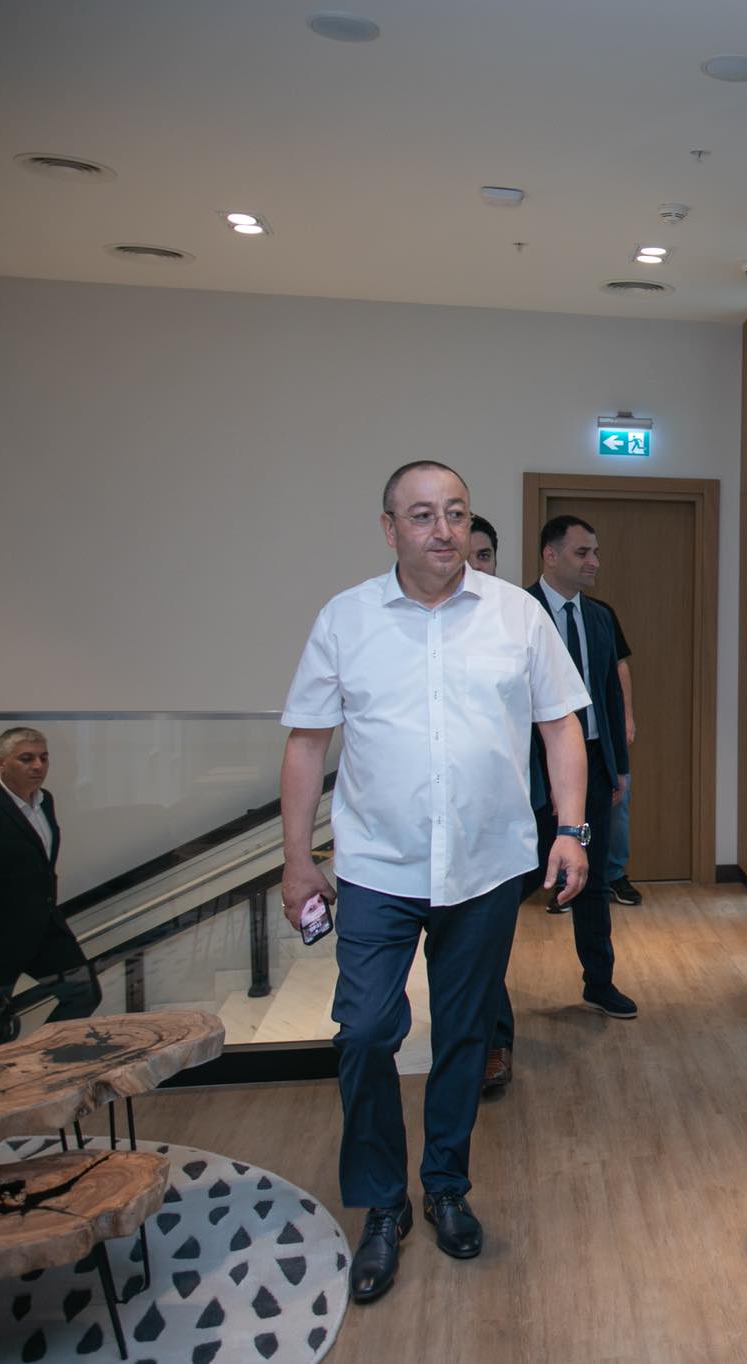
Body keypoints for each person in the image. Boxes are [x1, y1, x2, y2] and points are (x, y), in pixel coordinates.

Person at [279, 460, 594, 1306]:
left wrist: (571, 829)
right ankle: (382, 1203)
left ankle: (445, 1186)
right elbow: (307, 741)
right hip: (377, 868)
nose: (443, 529)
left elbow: (561, 724)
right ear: (390, 529)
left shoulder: (516, 615)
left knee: (464, 1035)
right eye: (422, 515)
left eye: (455, 512)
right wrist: (298, 857)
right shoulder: (346, 619)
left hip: (487, 866)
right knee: (363, 1032)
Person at [512, 516, 636, 1024]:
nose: (594, 562)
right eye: (583, 552)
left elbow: (610, 697)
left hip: (595, 769)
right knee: (515, 882)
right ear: (551, 555)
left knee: (595, 880)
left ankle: (599, 982)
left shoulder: (600, 618)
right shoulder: (519, 612)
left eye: (595, 553)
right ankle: (486, 994)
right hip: (535, 773)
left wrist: (618, 767)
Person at [0, 727, 102, 1046]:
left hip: (44, 930)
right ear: (1, 763)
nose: (38, 766)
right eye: (26, 759)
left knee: (83, 993)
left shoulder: (45, 801)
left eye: (44, 758)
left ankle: (43, 1060)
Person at [588, 595, 641, 906]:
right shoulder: (532, 605)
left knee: (617, 798)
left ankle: (614, 874)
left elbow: (620, 664)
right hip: (558, 729)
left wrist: (627, 717)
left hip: (605, 728)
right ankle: (565, 881)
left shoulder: (601, 614)